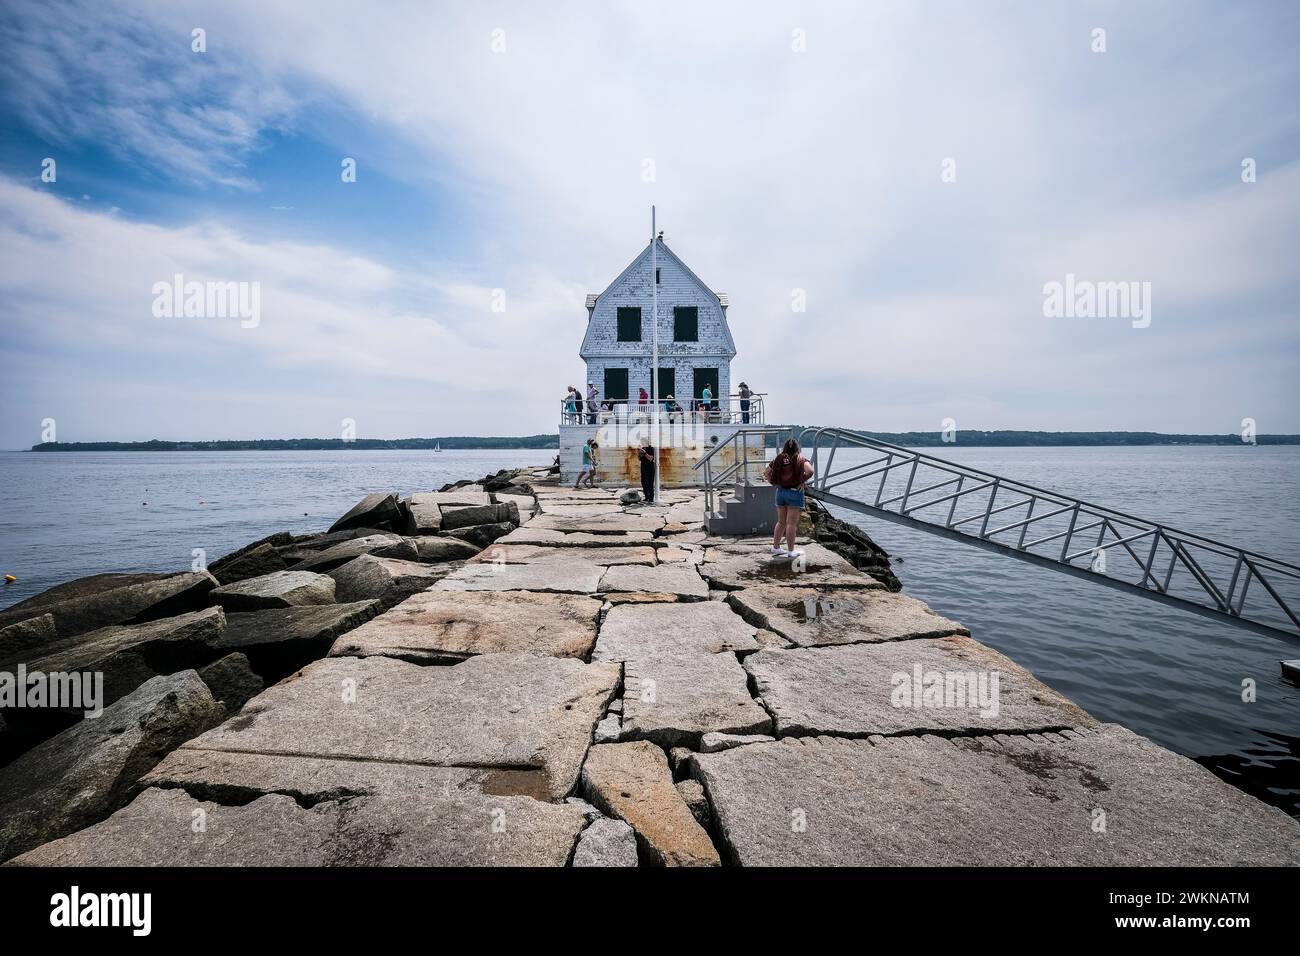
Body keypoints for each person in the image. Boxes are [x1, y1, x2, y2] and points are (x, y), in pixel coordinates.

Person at [764, 437, 814, 558]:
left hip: (780, 492)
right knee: (791, 524)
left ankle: (776, 547)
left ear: (785, 447)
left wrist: (773, 483)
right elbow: (810, 471)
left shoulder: (778, 458)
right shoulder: (800, 458)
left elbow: (766, 472)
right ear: (797, 448)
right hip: (794, 492)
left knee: (781, 522)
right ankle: (791, 551)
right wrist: (802, 481)